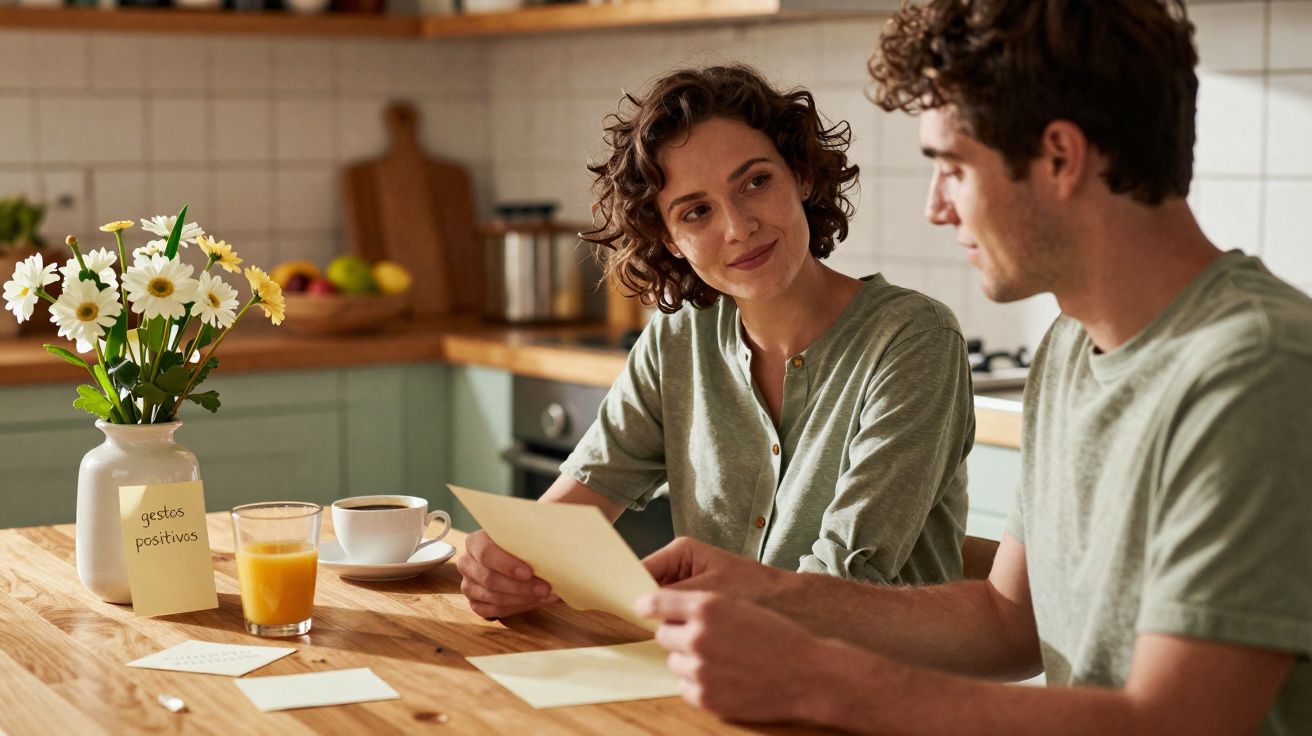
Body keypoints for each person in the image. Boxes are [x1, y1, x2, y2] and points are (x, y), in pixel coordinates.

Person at [634, 1, 1312, 734]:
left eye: (951, 167)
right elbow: (1009, 619)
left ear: (1060, 156)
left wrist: (825, 678)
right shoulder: (1070, 347)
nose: (936, 208)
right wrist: (765, 593)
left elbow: (1180, 723)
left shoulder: (1256, 370)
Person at [457, 65, 977, 620]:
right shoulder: (677, 340)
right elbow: (568, 514)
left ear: (800, 175)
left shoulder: (912, 339)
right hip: (724, 673)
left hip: (881, 688)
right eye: (697, 211)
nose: (737, 227)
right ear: (670, 240)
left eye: (756, 182)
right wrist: (506, 565)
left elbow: (849, 575)